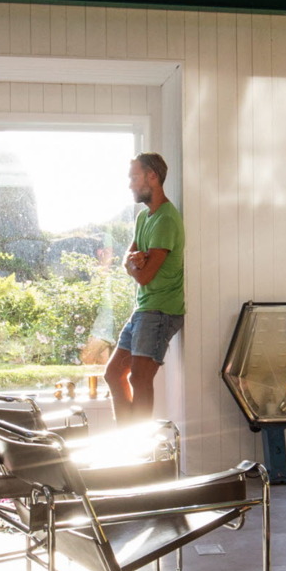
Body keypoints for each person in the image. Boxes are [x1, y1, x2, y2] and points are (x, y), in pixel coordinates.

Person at [107, 153, 182, 424]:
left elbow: (145, 276)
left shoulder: (166, 220)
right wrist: (133, 262)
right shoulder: (144, 218)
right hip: (143, 310)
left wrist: (135, 265)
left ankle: (139, 444)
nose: (130, 184)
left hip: (161, 310)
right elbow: (127, 259)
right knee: (113, 374)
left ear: (152, 176)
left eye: (134, 177)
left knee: (139, 378)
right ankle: (127, 437)